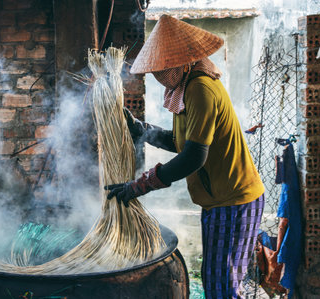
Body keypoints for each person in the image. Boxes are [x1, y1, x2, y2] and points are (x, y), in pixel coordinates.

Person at [105, 14, 265, 299]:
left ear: (184, 60)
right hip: (219, 200)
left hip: (234, 200)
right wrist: (141, 130)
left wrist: (141, 185)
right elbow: (181, 141)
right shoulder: (186, 87)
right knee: (216, 279)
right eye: (157, 68)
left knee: (222, 287)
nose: (159, 74)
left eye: (165, 66)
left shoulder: (200, 88)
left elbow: (193, 157)